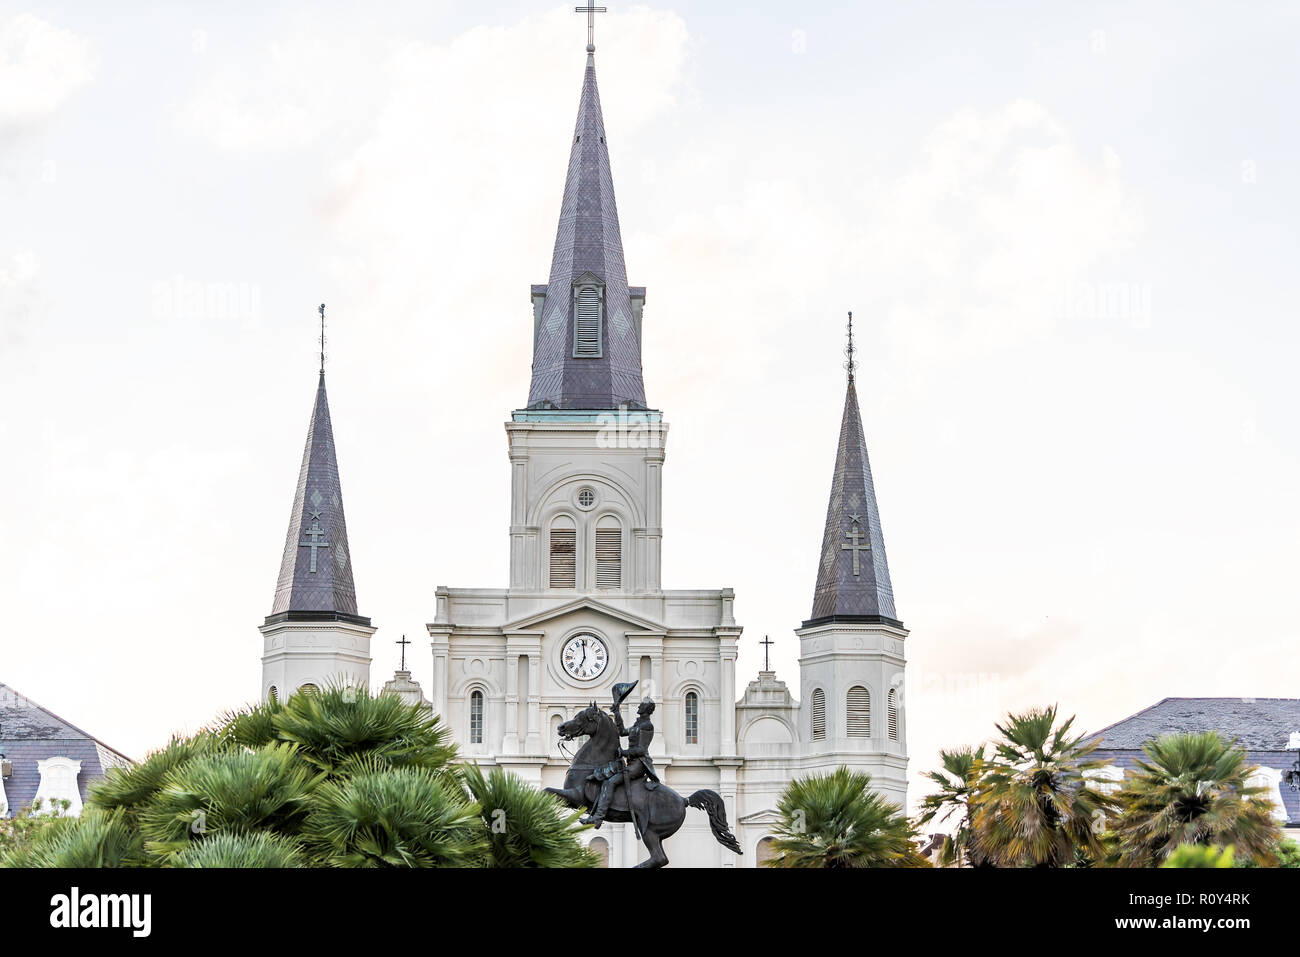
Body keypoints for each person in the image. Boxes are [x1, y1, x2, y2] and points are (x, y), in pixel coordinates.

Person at [581, 691, 659, 828]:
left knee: (610, 782)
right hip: (631, 762)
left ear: (646, 709)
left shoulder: (647, 726)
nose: (639, 706)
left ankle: (598, 818)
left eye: (642, 705)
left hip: (639, 764)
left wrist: (623, 752)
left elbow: (641, 750)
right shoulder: (637, 725)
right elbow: (622, 731)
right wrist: (617, 712)